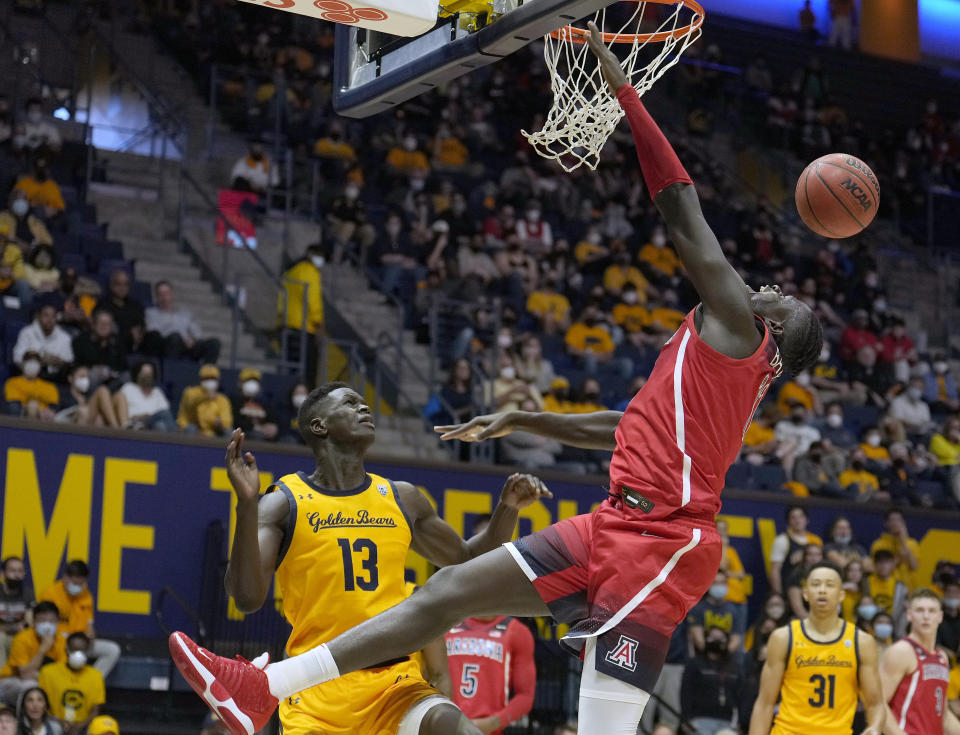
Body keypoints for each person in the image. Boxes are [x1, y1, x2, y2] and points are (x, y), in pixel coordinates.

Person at [168, 25, 824, 735]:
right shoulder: (716, 369)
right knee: (447, 590)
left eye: (783, 295)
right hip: (614, 522)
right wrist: (528, 420)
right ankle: (261, 687)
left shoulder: (741, 331)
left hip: (665, 544)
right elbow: (629, 424)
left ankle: (268, 684)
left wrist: (626, 91)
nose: (770, 285)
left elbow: (681, 212)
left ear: (779, 333)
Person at [169, 384, 551, 735]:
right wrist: (248, 506)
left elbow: (468, 558)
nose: (364, 406)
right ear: (319, 426)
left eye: (363, 402)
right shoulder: (284, 501)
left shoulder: (401, 497)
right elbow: (247, 598)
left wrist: (508, 508)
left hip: (395, 684)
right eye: (350, 403)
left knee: (456, 728)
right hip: (317, 693)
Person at [748, 562, 885, 735]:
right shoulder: (784, 637)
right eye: (815, 584)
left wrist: (875, 727)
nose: (822, 590)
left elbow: (875, 703)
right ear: (805, 594)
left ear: (841, 595)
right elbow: (764, 703)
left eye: (829, 585)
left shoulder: (861, 642)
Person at [880, 589, 960, 735]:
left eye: (931, 611)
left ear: (940, 616)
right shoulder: (902, 651)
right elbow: (877, 703)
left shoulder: (942, 656)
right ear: (909, 615)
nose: (926, 616)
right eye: (920, 610)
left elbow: (943, 715)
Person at [444, 614, 536, 734]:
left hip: (486, 729)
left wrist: (492, 723)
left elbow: (525, 695)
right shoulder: (447, 625)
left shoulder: (516, 631)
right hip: (445, 724)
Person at [38, 561, 121, 678]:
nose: (77, 587)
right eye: (74, 583)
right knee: (61, 647)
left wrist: (90, 636)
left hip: (81, 642)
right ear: (65, 577)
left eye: (81, 584)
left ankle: (90, 682)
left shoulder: (86, 595)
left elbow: (89, 623)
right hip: (58, 641)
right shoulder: (50, 594)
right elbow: (43, 625)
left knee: (112, 650)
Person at [0, 602, 65, 707]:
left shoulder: (61, 641)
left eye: (51, 621)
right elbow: (25, 674)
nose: (47, 625)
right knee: (32, 688)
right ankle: (24, 721)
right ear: (34, 622)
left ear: (57, 622)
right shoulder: (22, 638)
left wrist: (42, 677)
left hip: (41, 680)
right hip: (12, 681)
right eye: (42, 621)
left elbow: (61, 674)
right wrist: (43, 649)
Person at [37, 633, 105, 734]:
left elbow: (96, 710)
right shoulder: (48, 672)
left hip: (83, 725)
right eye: (74, 649)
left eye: (82, 650)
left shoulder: (96, 675)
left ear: (88, 652)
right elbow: (40, 705)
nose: (78, 654)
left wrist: (79, 726)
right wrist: (59, 721)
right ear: (66, 649)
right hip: (54, 722)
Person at [680, 626, 741, 735]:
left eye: (721, 638)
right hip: (700, 719)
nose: (717, 641)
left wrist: (739, 721)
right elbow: (685, 692)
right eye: (713, 637)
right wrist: (687, 718)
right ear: (706, 639)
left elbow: (741, 694)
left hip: (727, 721)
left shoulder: (734, 668)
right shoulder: (695, 663)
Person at [279, 244, 326, 383]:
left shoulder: (290, 271)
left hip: (288, 324)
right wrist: (318, 322)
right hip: (305, 327)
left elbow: (281, 299)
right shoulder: (310, 271)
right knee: (307, 374)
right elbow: (312, 299)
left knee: (291, 370)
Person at [145, 281, 220, 364]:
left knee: (214, 343)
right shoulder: (151, 313)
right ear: (157, 297)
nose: (164, 297)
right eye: (161, 294)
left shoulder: (185, 314)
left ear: (172, 294)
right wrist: (181, 338)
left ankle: (207, 374)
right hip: (167, 345)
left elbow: (198, 334)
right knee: (175, 338)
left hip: (187, 346)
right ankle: (171, 371)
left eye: (167, 293)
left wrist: (193, 340)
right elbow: (154, 333)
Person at [769, 506, 823, 595]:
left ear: (807, 519)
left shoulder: (816, 540)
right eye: (793, 517)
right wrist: (778, 594)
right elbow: (775, 570)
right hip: (791, 590)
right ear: (788, 521)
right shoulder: (782, 540)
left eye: (801, 517)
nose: (798, 521)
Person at [12, 303, 74, 381]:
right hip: (29, 378)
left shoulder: (65, 337)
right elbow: (17, 358)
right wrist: (39, 359)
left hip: (55, 380)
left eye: (53, 316)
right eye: (46, 315)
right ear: (38, 316)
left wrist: (59, 362)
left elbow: (69, 362)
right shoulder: (27, 332)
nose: (50, 320)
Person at [687, 571, 744, 654]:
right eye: (715, 583)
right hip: (702, 657)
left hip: (726, 659)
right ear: (709, 584)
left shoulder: (734, 610)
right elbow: (698, 639)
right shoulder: (697, 608)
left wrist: (722, 653)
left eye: (722, 582)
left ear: (727, 585)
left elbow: (736, 640)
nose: (719, 586)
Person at [113, 362, 175, 431]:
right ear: (138, 375)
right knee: (162, 419)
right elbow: (120, 408)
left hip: (152, 423)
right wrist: (141, 417)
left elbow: (164, 412)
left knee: (160, 424)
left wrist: (149, 416)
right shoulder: (129, 388)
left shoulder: (157, 392)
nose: (147, 377)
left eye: (150, 374)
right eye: (144, 374)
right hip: (135, 422)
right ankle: (176, 438)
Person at [870, 509, 920, 590]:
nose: (895, 523)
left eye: (898, 520)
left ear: (903, 523)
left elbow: (914, 566)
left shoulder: (912, 543)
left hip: (909, 587)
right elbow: (880, 569)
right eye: (892, 520)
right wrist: (899, 557)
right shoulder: (878, 544)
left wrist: (903, 542)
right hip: (887, 588)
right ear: (886, 523)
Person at [177, 365, 232, 437]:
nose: (210, 381)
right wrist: (207, 397)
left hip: (212, 433)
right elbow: (191, 403)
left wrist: (220, 424)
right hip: (189, 429)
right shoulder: (190, 392)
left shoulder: (222, 399)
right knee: (192, 429)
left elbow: (227, 422)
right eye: (206, 378)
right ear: (201, 380)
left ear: (218, 381)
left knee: (229, 433)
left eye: (213, 378)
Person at [3, 351, 59, 420]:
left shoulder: (49, 386)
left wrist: (43, 412)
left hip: (45, 418)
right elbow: (14, 406)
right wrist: (35, 409)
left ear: (40, 366)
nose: (32, 365)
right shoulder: (12, 382)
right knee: (33, 405)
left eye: (36, 362)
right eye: (29, 361)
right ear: (23, 364)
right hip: (21, 417)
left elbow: (54, 406)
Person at [0, 558, 33, 668]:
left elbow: (29, 622)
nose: (17, 575)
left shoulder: (28, 593)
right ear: (3, 573)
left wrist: (22, 626)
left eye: (20, 571)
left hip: (18, 634)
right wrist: (7, 628)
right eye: (12, 571)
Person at [230, 368, 278, 442]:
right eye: (248, 380)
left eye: (255, 381)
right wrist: (256, 428)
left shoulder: (264, 403)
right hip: (244, 437)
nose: (252, 384)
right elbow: (235, 422)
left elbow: (272, 420)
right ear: (240, 383)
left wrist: (273, 427)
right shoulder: (234, 401)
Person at [938, 579, 960, 654]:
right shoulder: (936, 619)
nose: (952, 595)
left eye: (955, 592)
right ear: (943, 594)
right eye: (949, 592)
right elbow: (935, 645)